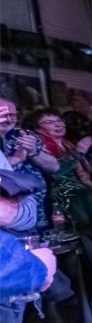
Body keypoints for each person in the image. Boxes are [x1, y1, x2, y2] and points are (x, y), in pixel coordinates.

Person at [24, 109, 92, 228]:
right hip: (64, 199)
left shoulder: (68, 144)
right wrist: (78, 153)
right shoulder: (40, 147)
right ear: (37, 128)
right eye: (49, 122)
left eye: (59, 120)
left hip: (83, 196)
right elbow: (55, 173)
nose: (58, 124)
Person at [0, 98, 58, 230]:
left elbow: (54, 166)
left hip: (38, 207)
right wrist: (15, 158)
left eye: (12, 115)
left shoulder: (24, 134)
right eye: (3, 115)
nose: (8, 119)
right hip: (9, 213)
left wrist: (34, 152)